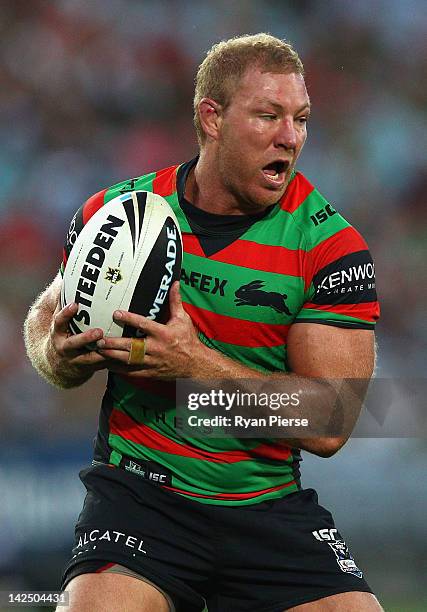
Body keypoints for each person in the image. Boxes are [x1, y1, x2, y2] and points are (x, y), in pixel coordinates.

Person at [24, 34, 382, 612]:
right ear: (211, 117)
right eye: (268, 115)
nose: (290, 137)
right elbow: (49, 318)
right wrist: (56, 353)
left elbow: (331, 422)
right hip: (142, 496)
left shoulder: (330, 249)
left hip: (265, 506)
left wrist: (196, 368)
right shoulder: (120, 214)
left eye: (301, 118)